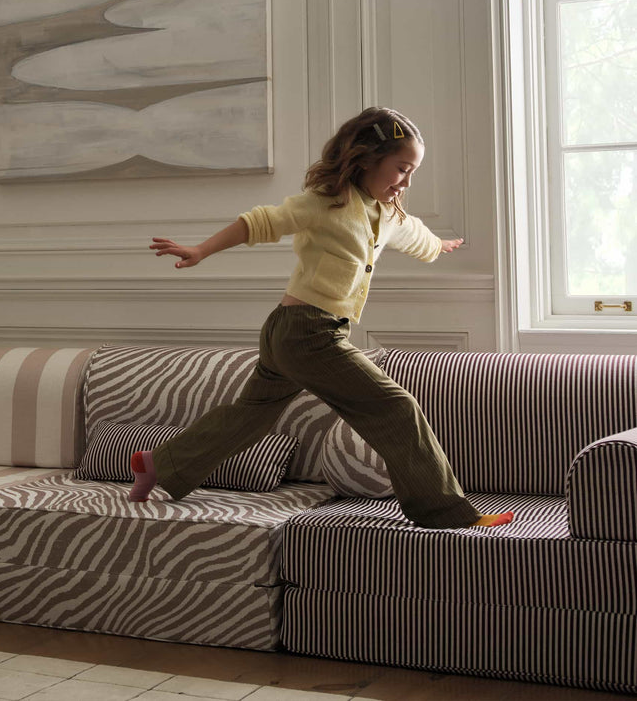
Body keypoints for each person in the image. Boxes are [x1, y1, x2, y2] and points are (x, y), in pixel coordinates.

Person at [133, 107, 513, 529]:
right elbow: (261, 222)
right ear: (367, 158)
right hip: (307, 333)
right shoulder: (326, 203)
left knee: (250, 416)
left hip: (291, 330)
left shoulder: (386, 213)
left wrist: (439, 246)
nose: (406, 182)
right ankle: (445, 513)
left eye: (413, 172)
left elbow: (413, 234)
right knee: (396, 408)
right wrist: (202, 250)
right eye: (401, 169)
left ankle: (158, 467)